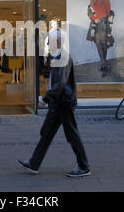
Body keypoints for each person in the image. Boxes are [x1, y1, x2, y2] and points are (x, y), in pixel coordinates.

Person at [18, 29, 90, 177]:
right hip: (58, 103)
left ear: (57, 42)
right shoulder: (58, 56)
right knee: (46, 133)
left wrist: (45, 99)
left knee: (71, 134)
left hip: (64, 103)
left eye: (49, 41)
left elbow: (61, 83)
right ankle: (34, 163)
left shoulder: (63, 57)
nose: (48, 43)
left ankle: (84, 166)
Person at [87, 0, 113, 74]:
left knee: (104, 42)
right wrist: (94, 18)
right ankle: (103, 62)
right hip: (96, 23)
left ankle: (103, 62)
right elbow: (90, 11)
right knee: (98, 42)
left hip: (104, 22)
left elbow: (108, 11)